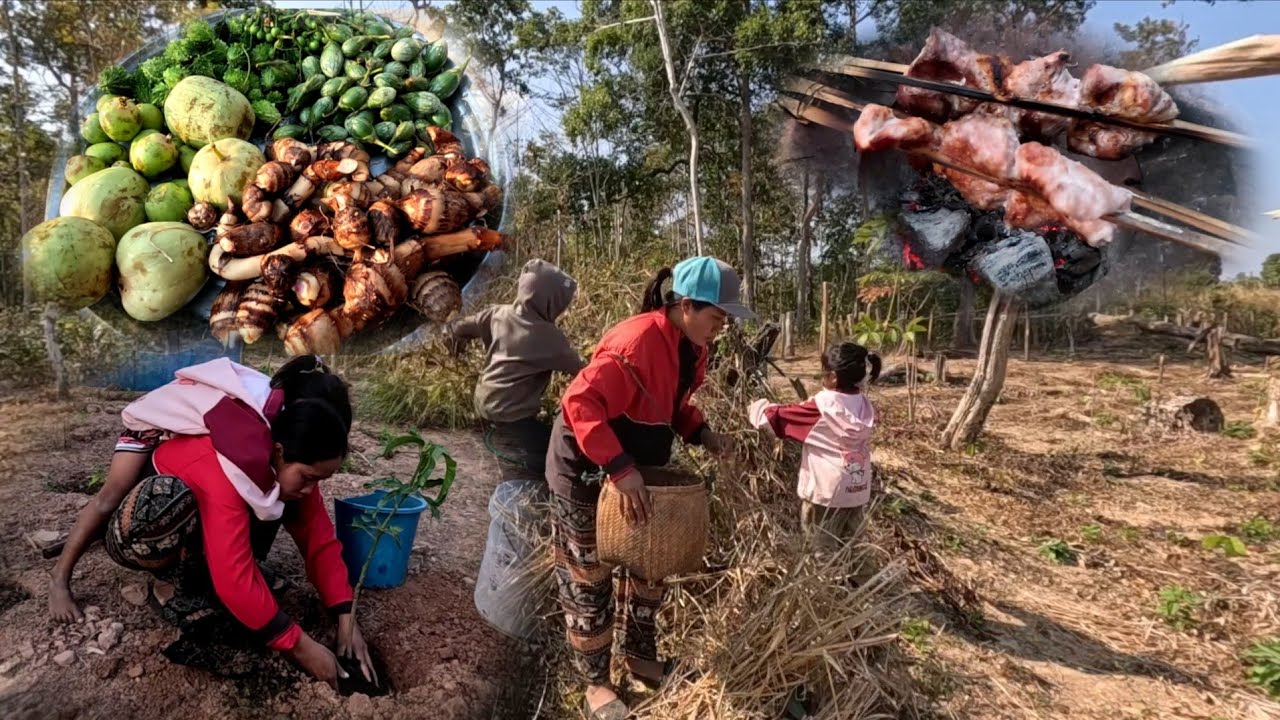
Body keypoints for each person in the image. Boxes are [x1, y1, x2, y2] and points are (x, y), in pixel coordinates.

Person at [49, 357, 373, 684]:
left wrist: (345, 615)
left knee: (282, 496)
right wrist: (299, 646)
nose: (310, 487)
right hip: (147, 503)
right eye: (308, 476)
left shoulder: (288, 453)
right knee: (160, 499)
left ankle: (204, 573)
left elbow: (318, 536)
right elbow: (234, 578)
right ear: (280, 444)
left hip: (214, 483)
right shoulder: (233, 454)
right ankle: (163, 581)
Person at [546, 256, 747, 719]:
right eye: (718, 316)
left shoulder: (692, 347)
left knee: (649, 564)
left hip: (636, 468)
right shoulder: (636, 341)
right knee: (590, 577)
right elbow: (580, 402)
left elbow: (672, 405)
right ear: (687, 306)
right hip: (586, 469)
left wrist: (704, 434)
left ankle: (640, 660)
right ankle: (595, 683)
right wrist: (619, 468)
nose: (721, 327)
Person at [447, 258, 585, 481]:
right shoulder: (549, 337)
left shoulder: (498, 314)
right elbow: (582, 370)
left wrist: (454, 338)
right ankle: (527, 476)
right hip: (512, 416)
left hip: (483, 402)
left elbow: (462, 327)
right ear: (551, 301)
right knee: (554, 453)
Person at [748, 342, 881, 550]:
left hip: (825, 495)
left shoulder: (822, 408)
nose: (821, 377)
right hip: (856, 490)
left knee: (820, 553)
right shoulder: (864, 405)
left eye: (823, 372)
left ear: (833, 377)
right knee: (853, 552)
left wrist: (755, 406)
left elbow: (772, 420)